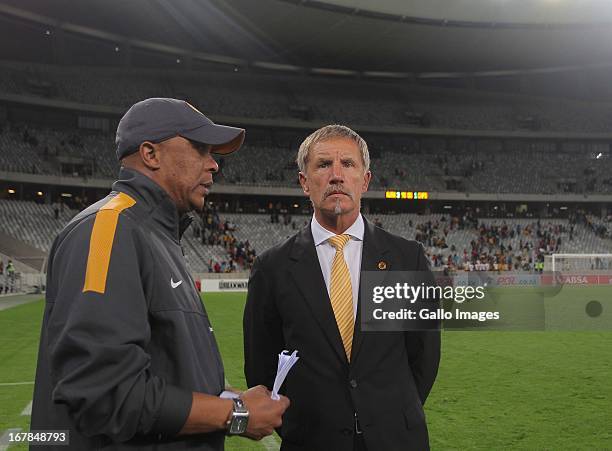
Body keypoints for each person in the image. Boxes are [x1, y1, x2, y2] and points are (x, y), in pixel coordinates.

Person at [31, 98, 289, 450]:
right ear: (151, 154)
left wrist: (228, 397)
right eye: (201, 149)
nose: (214, 164)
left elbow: (165, 371)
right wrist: (236, 413)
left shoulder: (157, 235)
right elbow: (104, 393)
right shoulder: (110, 229)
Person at [244, 125, 440, 450]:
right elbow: (262, 368)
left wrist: (390, 415)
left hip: (396, 439)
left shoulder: (408, 259)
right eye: (323, 165)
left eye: (347, 164)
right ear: (304, 182)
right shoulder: (272, 268)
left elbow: (424, 355)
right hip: (312, 441)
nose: (337, 175)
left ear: (365, 180)